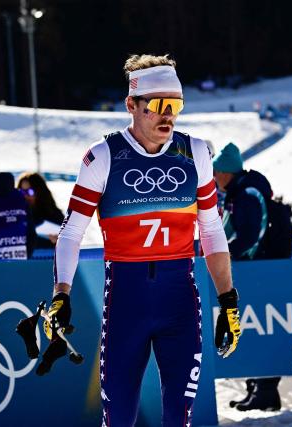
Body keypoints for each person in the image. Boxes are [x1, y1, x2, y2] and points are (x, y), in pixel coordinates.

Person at [41, 54, 241, 426]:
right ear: (132, 105)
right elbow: (70, 232)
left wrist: (228, 300)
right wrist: (61, 294)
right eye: (160, 105)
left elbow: (211, 230)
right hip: (125, 304)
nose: (169, 115)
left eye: (176, 105)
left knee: (176, 419)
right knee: (118, 418)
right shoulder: (103, 157)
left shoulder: (194, 152)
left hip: (180, 302)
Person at [212, 142, 292, 411]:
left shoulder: (246, 195)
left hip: (260, 270)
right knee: (255, 327)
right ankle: (258, 390)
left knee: (262, 328)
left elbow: (248, 237)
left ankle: (265, 391)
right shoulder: (243, 192)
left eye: (216, 173)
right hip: (258, 269)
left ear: (226, 172)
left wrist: (223, 256)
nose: (214, 179)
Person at [17, 172, 64, 248]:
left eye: (30, 192)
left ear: (40, 192)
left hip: (46, 258)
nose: (26, 196)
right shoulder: (14, 216)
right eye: (22, 192)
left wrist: (59, 242)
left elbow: (69, 248)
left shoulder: (55, 217)